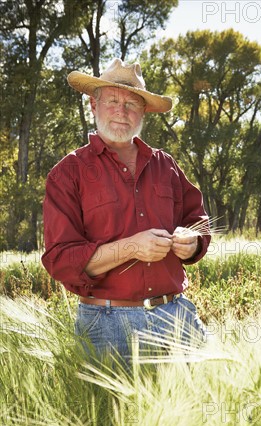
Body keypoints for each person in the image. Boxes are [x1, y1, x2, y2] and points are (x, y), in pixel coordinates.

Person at [41, 58, 211, 371]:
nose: (122, 111)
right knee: (112, 419)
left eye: (132, 104)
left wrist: (193, 241)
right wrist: (131, 247)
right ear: (94, 105)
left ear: (144, 112)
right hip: (106, 325)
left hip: (176, 316)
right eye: (113, 101)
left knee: (203, 407)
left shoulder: (166, 166)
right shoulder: (68, 174)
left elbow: (197, 220)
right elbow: (61, 260)